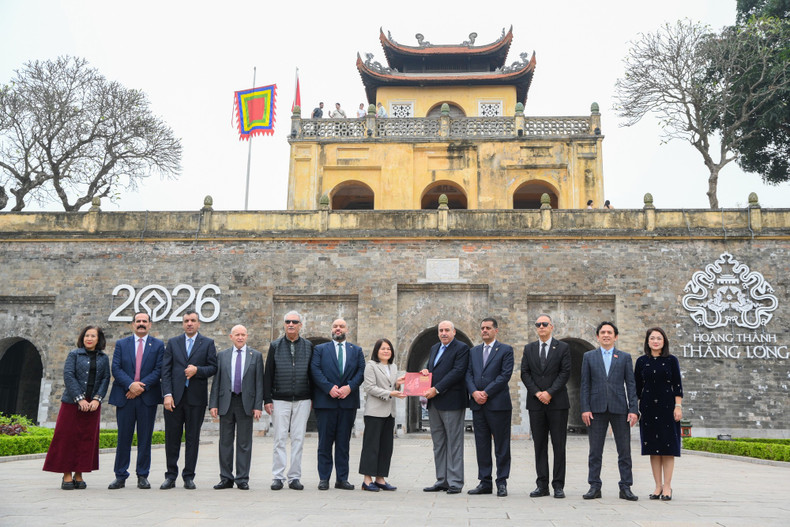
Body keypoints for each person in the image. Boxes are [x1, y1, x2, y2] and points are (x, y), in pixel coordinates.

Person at [43, 325, 110, 489]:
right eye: (87, 335)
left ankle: (79, 473)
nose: (89, 338)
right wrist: (80, 399)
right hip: (72, 403)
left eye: (93, 336)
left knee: (86, 440)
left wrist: (96, 399)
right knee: (67, 438)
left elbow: (105, 379)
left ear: (98, 339)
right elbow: (69, 376)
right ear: (82, 338)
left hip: (93, 405)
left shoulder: (103, 358)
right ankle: (66, 474)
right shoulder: (74, 354)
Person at [580, 321, 639, 501]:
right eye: (603, 332)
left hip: (620, 408)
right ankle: (594, 486)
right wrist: (585, 408)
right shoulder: (589, 356)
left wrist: (633, 409)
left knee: (624, 450)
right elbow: (584, 384)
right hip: (596, 409)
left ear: (615, 336)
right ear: (597, 337)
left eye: (610, 332)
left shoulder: (624, 357)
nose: (606, 335)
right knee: (595, 450)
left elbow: (631, 384)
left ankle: (626, 487)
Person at [160, 310, 217, 490]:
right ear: (183, 324)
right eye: (186, 321)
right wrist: (167, 394)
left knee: (193, 438)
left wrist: (197, 371)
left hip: (196, 399)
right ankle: (170, 476)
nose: (189, 323)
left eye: (193, 320)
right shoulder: (173, 343)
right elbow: (166, 371)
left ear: (199, 323)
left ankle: (189, 476)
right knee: (172, 438)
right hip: (174, 399)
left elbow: (213, 367)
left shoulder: (207, 343)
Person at [108, 312, 164, 490]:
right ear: (133, 324)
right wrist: (130, 385)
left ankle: (142, 475)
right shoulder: (121, 344)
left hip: (147, 398)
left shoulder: (157, 345)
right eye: (138, 321)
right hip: (125, 397)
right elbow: (116, 368)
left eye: (144, 321)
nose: (141, 324)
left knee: (145, 438)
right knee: (123, 438)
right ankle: (120, 475)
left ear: (150, 325)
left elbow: (159, 369)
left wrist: (140, 387)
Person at [310, 318, 365, 490]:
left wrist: (349, 387)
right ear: (331, 329)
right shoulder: (320, 349)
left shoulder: (356, 350)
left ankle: (342, 479)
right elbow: (315, 370)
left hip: (347, 402)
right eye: (335, 326)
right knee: (325, 442)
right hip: (326, 402)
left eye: (341, 326)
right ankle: (324, 478)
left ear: (347, 329)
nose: (338, 329)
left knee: (343, 443)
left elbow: (361, 371)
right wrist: (328, 388)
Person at [520, 314, 571, 499]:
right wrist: (537, 393)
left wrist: (549, 392)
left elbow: (565, 372)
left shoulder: (563, 347)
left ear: (551, 327)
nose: (541, 327)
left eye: (544, 324)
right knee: (539, 445)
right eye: (538, 324)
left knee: (559, 445)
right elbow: (525, 373)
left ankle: (558, 485)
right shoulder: (529, 348)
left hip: (557, 403)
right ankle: (542, 485)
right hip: (536, 404)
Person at [263, 310, 314, 491]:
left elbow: (312, 373)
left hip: (303, 399)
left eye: (294, 322)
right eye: (287, 322)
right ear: (283, 325)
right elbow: (268, 373)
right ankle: (278, 476)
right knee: (279, 438)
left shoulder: (308, 346)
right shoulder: (275, 345)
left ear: (300, 325)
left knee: (298, 438)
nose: (291, 324)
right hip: (280, 399)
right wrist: (267, 398)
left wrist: (312, 397)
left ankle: (294, 477)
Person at [209, 325, 264, 490]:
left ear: (247, 336)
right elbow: (216, 382)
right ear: (231, 336)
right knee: (225, 441)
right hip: (226, 401)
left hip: (245, 403)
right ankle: (226, 478)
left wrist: (258, 406)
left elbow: (259, 383)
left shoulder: (256, 356)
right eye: (237, 335)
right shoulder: (223, 356)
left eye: (243, 335)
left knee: (244, 442)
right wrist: (213, 404)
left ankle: (242, 478)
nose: (240, 337)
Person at [465, 318, 514, 497]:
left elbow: (505, 375)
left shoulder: (506, 350)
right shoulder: (474, 351)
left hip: (498, 405)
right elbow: (468, 374)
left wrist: (485, 392)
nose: (484, 330)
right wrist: (474, 393)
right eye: (482, 328)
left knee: (501, 445)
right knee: (482, 444)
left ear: (496, 331)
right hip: (478, 406)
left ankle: (501, 482)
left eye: (488, 328)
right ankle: (484, 481)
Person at [421, 320, 469, 494]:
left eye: (447, 330)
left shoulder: (462, 348)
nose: (443, 333)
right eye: (441, 330)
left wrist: (437, 389)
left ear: (454, 332)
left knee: (454, 443)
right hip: (434, 403)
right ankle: (442, 480)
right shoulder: (434, 348)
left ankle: (455, 482)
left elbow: (457, 372)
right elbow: (430, 368)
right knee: (439, 443)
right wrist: (425, 372)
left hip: (452, 401)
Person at [635, 327, 683, 501]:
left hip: (667, 407)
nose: (656, 341)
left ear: (664, 342)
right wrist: (635, 409)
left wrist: (678, 406)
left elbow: (677, 385)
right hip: (648, 408)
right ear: (648, 341)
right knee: (653, 449)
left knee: (668, 448)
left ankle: (668, 486)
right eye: (652, 338)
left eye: (659, 338)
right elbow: (637, 388)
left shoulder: (671, 360)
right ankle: (657, 486)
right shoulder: (641, 361)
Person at [359, 338, 405, 491]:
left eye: (388, 349)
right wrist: (390, 392)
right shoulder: (371, 366)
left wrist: (398, 384)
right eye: (383, 348)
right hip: (374, 412)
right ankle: (367, 480)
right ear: (377, 351)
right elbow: (370, 387)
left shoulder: (393, 367)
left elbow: (392, 385)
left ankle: (380, 478)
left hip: (389, 412)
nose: (386, 351)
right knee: (371, 446)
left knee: (386, 447)